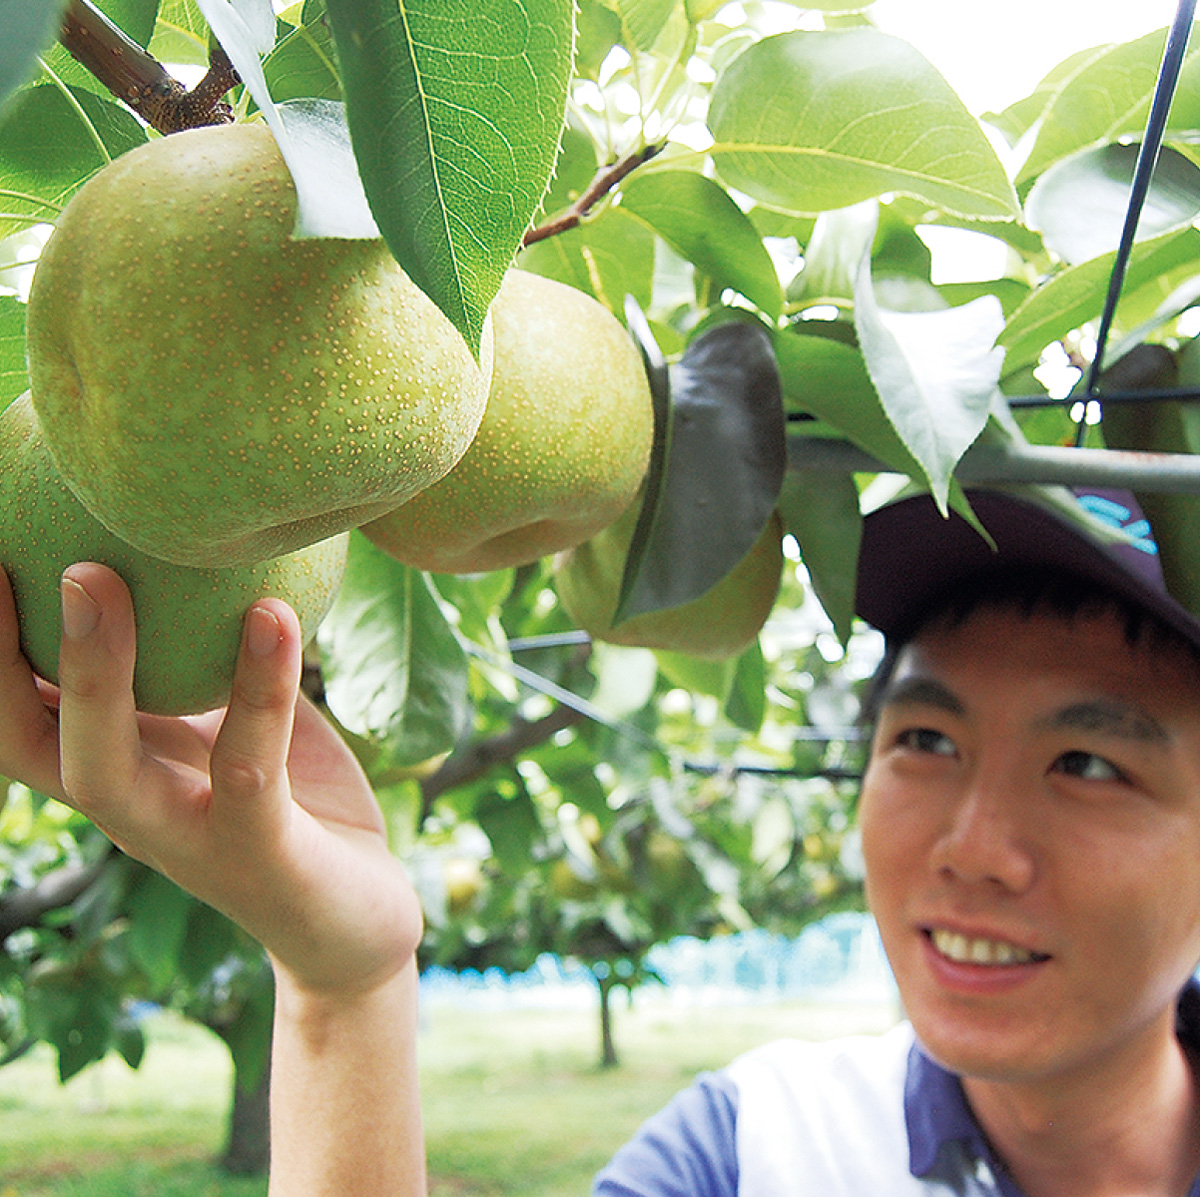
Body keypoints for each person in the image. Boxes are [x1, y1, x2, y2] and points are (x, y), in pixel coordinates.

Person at [6, 483, 1200, 1196]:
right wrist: (346, 985)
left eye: (1088, 764)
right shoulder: (752, 1154)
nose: (975, 850)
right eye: (926, 740)